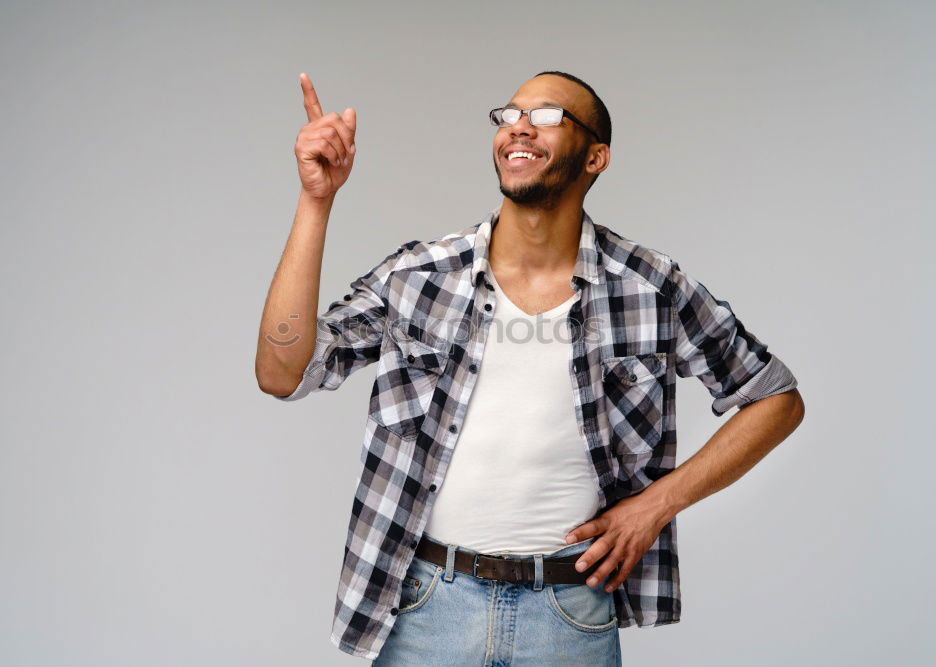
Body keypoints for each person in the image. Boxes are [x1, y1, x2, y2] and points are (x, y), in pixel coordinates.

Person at [255, 70, 805, 665]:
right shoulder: (420, 276)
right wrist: (317, 200)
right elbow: (283, 372)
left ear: (596, 157)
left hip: (569, 616)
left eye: (547, 115)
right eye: (510, 113)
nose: (519, 125)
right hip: (424, 609)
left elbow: (776, 398)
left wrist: (658, 504)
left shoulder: (650, 288)